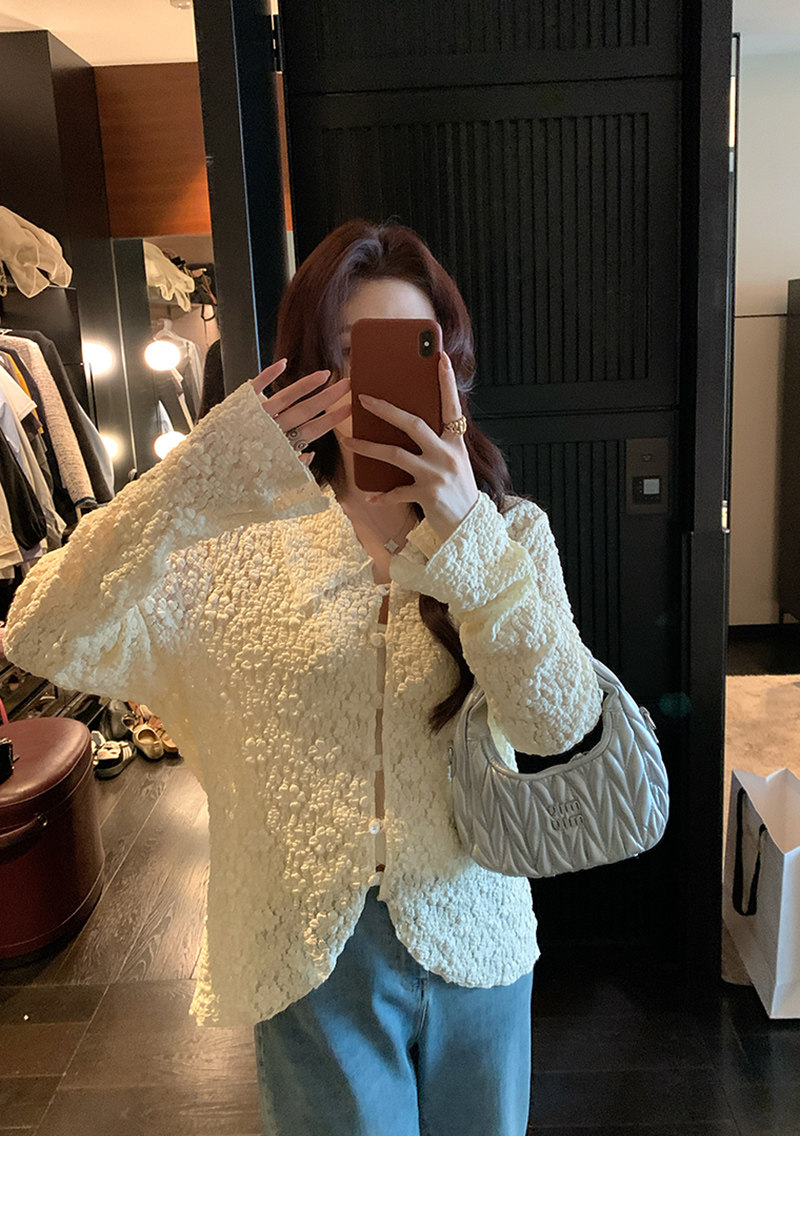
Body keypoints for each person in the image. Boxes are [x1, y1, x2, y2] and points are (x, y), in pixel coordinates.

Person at [3, 219, 601, 1136]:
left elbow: (556, 721)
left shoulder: (508, 532)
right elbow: (37, 628)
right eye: (350, 355)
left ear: (451, 369)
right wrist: (195, 477)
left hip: (476, 933)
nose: (378, 387)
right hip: (312, 962)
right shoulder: (234, 545)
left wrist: (466, 533)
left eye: (411, 350)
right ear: (309, 370)